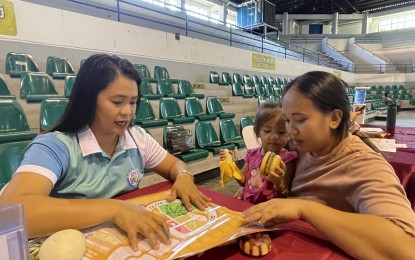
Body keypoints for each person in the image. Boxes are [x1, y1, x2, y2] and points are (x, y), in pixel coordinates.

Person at [0, 54, 210, 251]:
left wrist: (183, 175)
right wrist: (115, 209)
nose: (128, 111)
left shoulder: (137, 137)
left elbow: (175, 165)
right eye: (117, 102)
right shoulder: (55, 146)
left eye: (133, 102)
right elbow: (12, 211)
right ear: (89, 100)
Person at [243, 71, 415, 259]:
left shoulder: (363, 164)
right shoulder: (299, 148)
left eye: (300, 120)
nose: (290, 131)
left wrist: (305, 209)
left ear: (334, 118)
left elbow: (407, 248)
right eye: (287, 120)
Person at [219, 103, 297, 204]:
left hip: (268, 209)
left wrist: (278, 184)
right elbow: (244, 182)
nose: (274, 137)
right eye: (267, 131)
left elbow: (284, 195)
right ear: (257, 132)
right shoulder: (251, 154)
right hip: (247, 204)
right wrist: (231, 165)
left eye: (281, 132)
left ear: (289, 134)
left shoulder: (287, 159)